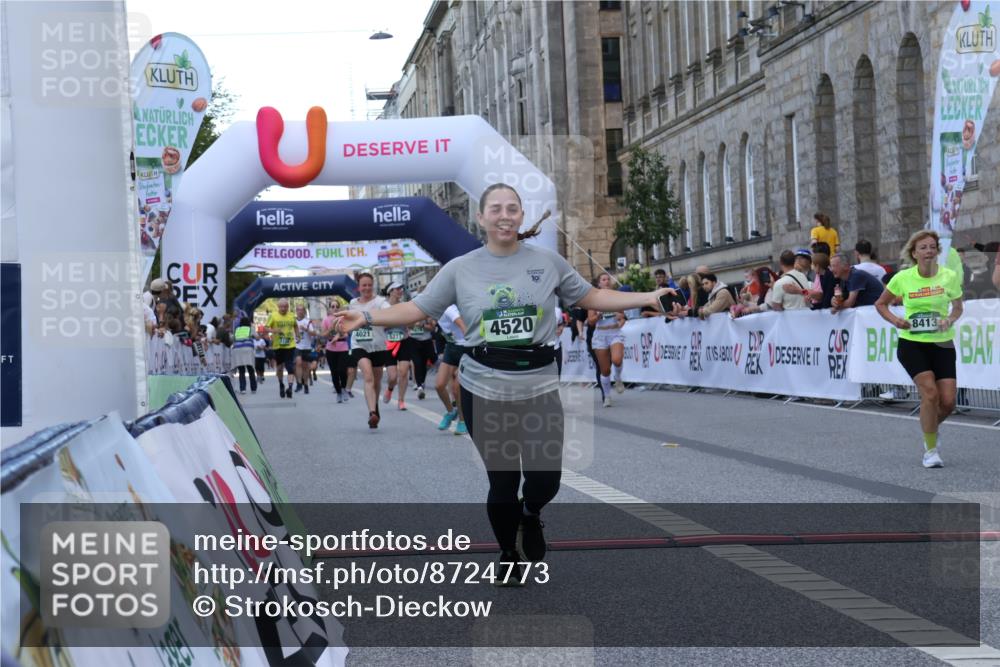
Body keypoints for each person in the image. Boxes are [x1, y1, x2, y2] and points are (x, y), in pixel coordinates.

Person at [332, 183, 675, 582]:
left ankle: (530, 515)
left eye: (512, 208)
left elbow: (591, 297)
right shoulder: (461, 268)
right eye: (495, 209)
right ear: (481, 218)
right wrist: (367, 317)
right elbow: (418, 308)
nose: (505, 215)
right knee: (503, 480)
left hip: (540, 384)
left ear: (521, 215)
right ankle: (508, 551)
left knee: (546, 479)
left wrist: (646, 296)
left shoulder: (547, 262)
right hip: (484, 386)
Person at [874, 230, 963, 468]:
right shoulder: (903, 278)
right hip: (912, 344)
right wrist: (896, 320)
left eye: (932, 247)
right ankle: (930, 450)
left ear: (937, 251)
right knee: (930, 394)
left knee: (948, 402)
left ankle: (930, 430)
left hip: (942, 343)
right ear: (914, 253)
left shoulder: (949, 276)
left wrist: (949, 320)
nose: (929, 251)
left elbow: (957, 308)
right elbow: (880, 304)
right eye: (923, 247)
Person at [348, 273, 391, 428]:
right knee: (368, 375)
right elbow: (348, 319)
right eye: (363, 285)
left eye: (369, 285)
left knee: (377, 380)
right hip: (359, 345)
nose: (366, 288)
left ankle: (375, 407)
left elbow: (390, 313)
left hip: (378, 346)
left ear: (372, 285)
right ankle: (372, 412)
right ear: (358, 287)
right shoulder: (353, 303)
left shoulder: (380, 302)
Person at [587, 273, 627, 407]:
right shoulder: (593, 299)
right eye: (603, 279)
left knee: (617, 359)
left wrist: (619, 318)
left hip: (615, 332)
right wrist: (598, 316)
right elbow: (590, 322)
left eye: (608, 279)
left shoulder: (616, 297)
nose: (607, 281)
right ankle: (607, 396)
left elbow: (622, 316)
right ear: (599, 284)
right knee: (604, 370)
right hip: (600, 335)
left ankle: (618, 378)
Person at [435, 303, 469, 435]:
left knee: (456, 387)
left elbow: (461, 324)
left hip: (466, 348)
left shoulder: (449, 308)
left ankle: (462, 420)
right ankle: (451, 411)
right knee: (439, 385)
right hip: (451, 347)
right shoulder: (433, 308)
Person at [381, 282, 412, 410]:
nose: (400, 291)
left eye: (401, 288)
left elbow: (410, 323)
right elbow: (381, 325)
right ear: (390, 291)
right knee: (392, 376)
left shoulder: (404, 305)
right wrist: (396, 320)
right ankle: (390, 389)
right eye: (397, 289)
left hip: (404, 341)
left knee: (404, 372)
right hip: (388, 343)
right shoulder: (383, 306)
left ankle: (401, 400)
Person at [265, 298, 297, 398]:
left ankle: (290, 388)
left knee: (290, 367)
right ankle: (281, 384)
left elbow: (295, 326)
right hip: (278, 346)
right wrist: (274, 330)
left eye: (285, 306)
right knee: (279, 368)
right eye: (281, 307)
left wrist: (298, 335)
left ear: (288, 307)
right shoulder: (273, 316)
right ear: (278, 307)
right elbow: (266, 328)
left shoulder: (291, 315)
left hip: (290, 345)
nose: (283, 308)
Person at [321, 302, 351, 403]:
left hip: (343, 347)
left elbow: (346, 334)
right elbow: (323, 334)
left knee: (342, 370)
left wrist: (339, 334)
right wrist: (331, 328)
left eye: (337, 306)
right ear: (329, 308)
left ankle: (343, 388)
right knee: (334, 372)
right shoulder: (326, 319)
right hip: (330, 349)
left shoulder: (343, 318)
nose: (335, 308)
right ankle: (338, 393)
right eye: (332, 306)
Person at [231, 316, 257, 394]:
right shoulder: (250, 329)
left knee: (241, 371)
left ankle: (243, 389)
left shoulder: (237, 330)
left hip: (237, 350)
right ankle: (253, 388)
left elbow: (233, 339)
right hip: (247, 349)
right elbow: (257, 337)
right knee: (250, 369)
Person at [293, 304, 316, 395]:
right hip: (297, 346)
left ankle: (305, 384)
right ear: (296, 311)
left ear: (304, 311)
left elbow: (313, 333)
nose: (299, 311)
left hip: (307, 347)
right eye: (298, 310)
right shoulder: (293, 322)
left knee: (306, 367)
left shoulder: (308, 322)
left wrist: (306, 329)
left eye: (301, 310)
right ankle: (299, 383)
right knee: (298, 362)